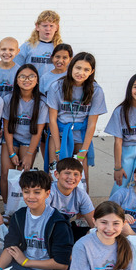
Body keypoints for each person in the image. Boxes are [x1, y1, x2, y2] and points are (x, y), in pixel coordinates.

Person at [46, 52, 106, 184]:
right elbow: (52, 120)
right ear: (71, 67)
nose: (81, 73)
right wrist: (58, 148)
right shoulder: (56, 87)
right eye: (78, 68)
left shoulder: (96, 90)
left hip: (80, 134)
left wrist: (84, 150)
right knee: (55, 175)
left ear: (92, 72)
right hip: (59, 134)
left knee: (81, 178)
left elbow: (92, 124)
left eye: (86, 69)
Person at [1, 64, 47, 200]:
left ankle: (19, 206)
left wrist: (29, 154)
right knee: (6, 174)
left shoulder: (42, 102)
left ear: (37, 80)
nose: (27, 80)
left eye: (31, 76)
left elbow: (38, 132)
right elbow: (7, 128)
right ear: (16, 80)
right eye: (22, 77)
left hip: (29, 141)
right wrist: (11, 152)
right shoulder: (8, 99)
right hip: (12, 138)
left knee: (23, 176)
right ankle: (7, 207)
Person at [48, 158, 96, 240]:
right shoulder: (48, 191)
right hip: (47, 230)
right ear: (56, 174)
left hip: (65, 229)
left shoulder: (81, 195)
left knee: (90, 233)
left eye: (76, 174)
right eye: (67, 173)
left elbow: (94, 223)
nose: (71, 177)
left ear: (80, 177)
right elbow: (41, 219)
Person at [16, 10, 61, 76]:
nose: (48, 29)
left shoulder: (61, 48)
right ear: (37, 26)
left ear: (57, 27)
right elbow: (16, 69)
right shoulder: (27, 47)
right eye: (45, 26)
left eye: (51, 26)